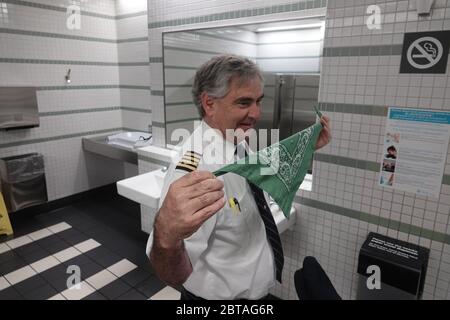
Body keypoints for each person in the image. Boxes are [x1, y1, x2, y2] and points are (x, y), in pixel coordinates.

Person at [146, 54, 331, 300]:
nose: (256, 113)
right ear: (209, 103)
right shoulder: (198, 172)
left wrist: (304, 148)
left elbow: (262, 170)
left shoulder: (238, 142)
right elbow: (172, 273)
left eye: (258, 101)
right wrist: (166, 235)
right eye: (244, 103)